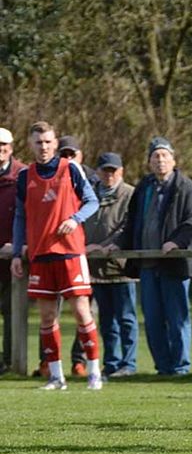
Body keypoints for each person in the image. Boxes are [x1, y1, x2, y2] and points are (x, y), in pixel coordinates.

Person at [10, 121, 102, 390]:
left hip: (70, 252)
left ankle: (94, 372)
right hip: (40, 254)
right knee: (47, 316)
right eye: (39, 142)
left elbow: (92, 201)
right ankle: (56, 376)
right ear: (30, 144)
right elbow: (20, 216)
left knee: (81, 311)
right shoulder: (25, 177)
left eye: (49, 141)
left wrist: (74, 219)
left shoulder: (70, 168)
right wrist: (18, 252)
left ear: (56, 142)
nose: (44, 147)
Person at [110, 137, 192, 375]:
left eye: (164, 156)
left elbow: (191, 222)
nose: (160, 160)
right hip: (147, 265)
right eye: (155, 156)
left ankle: (180, 367)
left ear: (173, 159)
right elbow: (131, 224)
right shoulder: (144, 187)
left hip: (175, 264)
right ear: (149, 162)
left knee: (178, 318)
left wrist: (175, 242)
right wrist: (115, 245)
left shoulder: (185, 186)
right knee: (153, 320)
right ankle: (163, 367)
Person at [83, 152, 138, 378]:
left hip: (121, 267)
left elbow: (128, 226)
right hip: (96, 270)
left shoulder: (130, 194)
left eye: (113, 170)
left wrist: (105, 245)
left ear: (121, 171)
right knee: (106, 320)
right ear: (97, 172)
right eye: (105, 170)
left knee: (126, 318)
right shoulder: (91, 194)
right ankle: (111, 363)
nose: (109, 175)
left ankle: (129, 363)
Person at [57, 134, 96, 377]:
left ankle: (85, 364)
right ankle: (49, 364)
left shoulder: (92, 178)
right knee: (51, 311)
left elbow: (94, 205)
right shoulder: (50, 175)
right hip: (58, 253)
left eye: (73, 154)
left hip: (85, 255)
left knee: (85, 310)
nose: (69, 159)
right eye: (65, 154)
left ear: (80, 155)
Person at [0, 127, 28, 374]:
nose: (0, 149)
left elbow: (27, 214)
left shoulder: (22, 174)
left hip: (12, 256)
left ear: (11, 147)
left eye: (3, 145)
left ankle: (11, 362)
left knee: (12, 311)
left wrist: (17, 246)